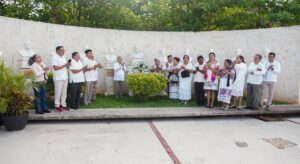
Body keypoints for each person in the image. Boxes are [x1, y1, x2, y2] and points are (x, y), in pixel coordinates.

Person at [52, 46, 70, 112]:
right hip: (58, 78)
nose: (63, 51)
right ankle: (57, 106)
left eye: (64, 50)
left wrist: (67, 65)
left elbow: (64, 67)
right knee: (58, 92)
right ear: (57, 51)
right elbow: (55, 67)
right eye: (62, 50)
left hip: (65, 77)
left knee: (64, 92)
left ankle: (63, 104)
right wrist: (65, 65)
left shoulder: (63, 57)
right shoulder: (54, 57)